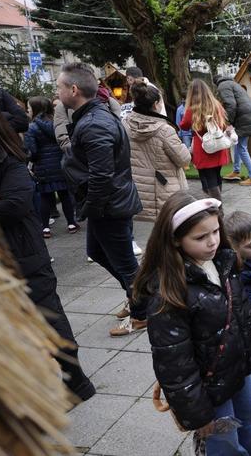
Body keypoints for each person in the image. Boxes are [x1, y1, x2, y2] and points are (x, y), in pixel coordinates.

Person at [0, 95, 96, 402]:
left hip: (24, 258)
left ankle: (77, 383)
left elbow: (15, 206)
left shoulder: (9, 161)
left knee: (49, 320)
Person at [132, 191, 251, 455]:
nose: (212, 241)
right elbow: (174, 362)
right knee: (224, 442)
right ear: (175, 240)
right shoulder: (169, 292)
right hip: (209, 391)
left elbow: (244, 313)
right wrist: (196, 413)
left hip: (240, 373)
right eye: (200, 237)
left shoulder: (226, 262)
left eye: (215, 231)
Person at [57, 62, 145, 337]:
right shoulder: (90, 117)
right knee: (97, 252)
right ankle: (138, 297)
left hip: (109, 207)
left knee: (126, 264)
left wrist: (89, 209)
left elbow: (102, 175)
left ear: (73, 89)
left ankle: (143, 311)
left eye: (58, 86)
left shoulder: (94, 123)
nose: (56, 91)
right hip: (105, 205)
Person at [123, 80, 190, 222]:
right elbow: (184, 159)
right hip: (167, 190)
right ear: (156, 104)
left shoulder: (125, 124)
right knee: (170, 231)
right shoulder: (165, 130)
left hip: (139, 190)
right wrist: (186, 147)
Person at [23, 96, 79, 237]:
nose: (27, 111)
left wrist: (31, 160)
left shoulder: (32, 127)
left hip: (43, 168)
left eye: (29, 108)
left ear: (35, 109)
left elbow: (32, 151)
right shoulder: (56, 123)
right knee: (65, 195)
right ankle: (71, 223)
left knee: (45, 197)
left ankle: (46, 228)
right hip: (60, 164)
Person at [179, 79, 232, 201]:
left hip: (203, 148)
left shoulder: (192, 109)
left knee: (208, 180)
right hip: (217, 145)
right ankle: (214, 206)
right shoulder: (216, 105)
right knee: (216, 177)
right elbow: (223, 125)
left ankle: (216, 209)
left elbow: (184, 125)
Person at [214, 75, 251, 186]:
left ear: (215, 83)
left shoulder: (222, 86)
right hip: (249, 114)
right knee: (237, 143)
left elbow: (231, 104)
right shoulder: (233, 84)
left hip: (243, 116)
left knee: (241, 147)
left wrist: (228, 122)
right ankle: (236, 171)